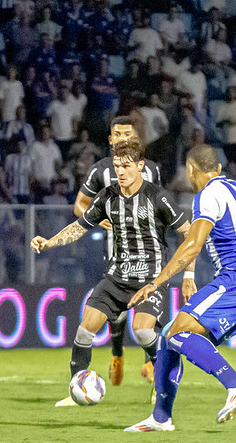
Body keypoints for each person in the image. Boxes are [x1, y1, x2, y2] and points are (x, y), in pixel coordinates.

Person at [31, 139, 194, 407]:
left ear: (140, 166)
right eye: (117, 165)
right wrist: (49, 242)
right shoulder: (107, 197)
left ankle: (164, 373)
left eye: (126, 166)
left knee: (142, 331)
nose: (120, 171)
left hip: (149, 279)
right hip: (116, 278)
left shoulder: (158, 197)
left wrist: (188, 276)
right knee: (85, 329)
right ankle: (76, 388)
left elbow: (190, 235)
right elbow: (79, 226)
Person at [124, 144, 236, 432]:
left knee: (177, 331)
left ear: (191, 170)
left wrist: (156, 283)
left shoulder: (207, 196)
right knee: (170, 337)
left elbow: (192, 245)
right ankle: (161, 417)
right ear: (217, 169)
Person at [73, 117, 162, 386]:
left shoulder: (152, 170)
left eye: (128, 134)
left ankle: (151, 363)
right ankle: (117, 353)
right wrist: (98, 219)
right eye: (117, 134)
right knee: (118, 312)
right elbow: (80, 205)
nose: (122, 138)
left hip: (148, 255)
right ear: (110, 140)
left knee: (147, 308)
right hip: (116, 254)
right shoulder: (100, 171)